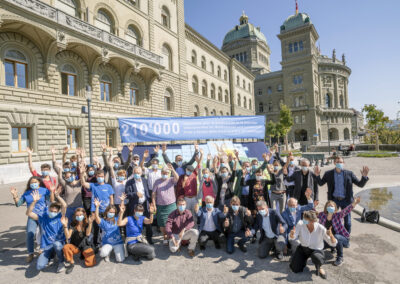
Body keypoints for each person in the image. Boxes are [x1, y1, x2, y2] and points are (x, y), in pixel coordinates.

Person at [314, 156, 369, 233]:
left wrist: (364, 177)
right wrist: (317, 176)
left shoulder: (350, 174)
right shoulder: (328, 174)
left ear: (343, 163)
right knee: (331, 219)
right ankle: (332, 236)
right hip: (334, 201)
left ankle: (346, 238)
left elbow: (360, 184)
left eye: (341, 162)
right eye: (337, 162)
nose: (339, 163)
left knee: (348, 222)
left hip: (346, 200)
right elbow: (320, 183)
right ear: (334, 163)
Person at [10, 177, 54, 263]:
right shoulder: (27, 193)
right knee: (30, 234)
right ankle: (30, 253)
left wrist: (52, 191)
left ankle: (42, 249)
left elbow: (51, 200)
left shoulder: (44, 190)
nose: (33, 184)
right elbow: (18, 204)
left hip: (43, 216)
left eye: (35, 182)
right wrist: (14, 195)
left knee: (43, 233)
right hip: (32, 216)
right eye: (31, 183)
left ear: (39, 182)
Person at [26, 189, 67, 272]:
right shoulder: (43, 218)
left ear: (58, 211)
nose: (53, 212)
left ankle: (61, 262)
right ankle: (51, 256)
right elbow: (28, 213)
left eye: (55, 211)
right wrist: (34, 202)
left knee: (57, 245)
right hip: (47, 246)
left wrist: (58, 196)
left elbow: (65, 205)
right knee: (39, 266)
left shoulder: (60, 216)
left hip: (59, 243)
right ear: (48, 210)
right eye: (51, 211)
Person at [289, 210, 337, 279]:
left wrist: (331, 236)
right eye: (303, 219)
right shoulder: (300, 223)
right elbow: (293, 237)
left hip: (316, 250)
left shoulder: (321, 228)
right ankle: (302, 261)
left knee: (317, 257)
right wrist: (292, 235)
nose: (303, 221)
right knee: (295, 269)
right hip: (303, 248)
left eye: (305, 220)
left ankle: (319, 267)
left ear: (312, 221)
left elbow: (333, 243)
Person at [318, 197, 361, 266]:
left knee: (336, 237)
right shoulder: (322, 215)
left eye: (332, 206)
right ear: (326, 207)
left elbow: (347, 210)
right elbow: (312, 215)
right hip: (328, 238)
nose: (330, 207)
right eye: (329, 206)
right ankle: (332, 248)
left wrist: (354, 203)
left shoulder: (338, 215)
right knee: (318, 245)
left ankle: (340, 257)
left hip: (341, 238)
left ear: (335, 208)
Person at [80, 168, 114, 248]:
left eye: (102, 176)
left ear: (104, 176)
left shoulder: (108, 186)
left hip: (107, 212)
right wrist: (82, 174)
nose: (100, 178)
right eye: (98, 176)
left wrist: (112, 209)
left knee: (107, 228)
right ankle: (97, 244)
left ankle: (108, 242)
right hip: (96, 211)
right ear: (96, 176)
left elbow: (111, 198)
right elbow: (84, 184)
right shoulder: (93, 185)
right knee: (96, 229)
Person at [117, 196, 156, 261]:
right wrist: (121, 213)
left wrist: (151, 213)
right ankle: (133, 252)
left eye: (141, 211)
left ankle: (137, 254)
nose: (140, 212)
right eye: (138, 211)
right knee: (151, 249)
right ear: (134, 210)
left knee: (151, 256)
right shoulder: (128, 218)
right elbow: (119, 224)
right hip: (131, 243)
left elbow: (150, 221)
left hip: (140, 241)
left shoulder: (142, 218)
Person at [124, 166, 153, 244]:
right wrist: (135, 194)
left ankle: (149, 238)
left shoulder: (145, 180)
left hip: (145, 204)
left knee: (148, 222)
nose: (137, 174)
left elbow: (148, 192)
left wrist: (150, 202)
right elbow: (127, 194)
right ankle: (133, 239)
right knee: (134, 222)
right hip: (135, 205)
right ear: (133, 173)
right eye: (135, 173)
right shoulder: (129, 182)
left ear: (141, 173)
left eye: (138, 173)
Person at [62, 208, 96, 274]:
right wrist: (65, 226)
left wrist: (90, 223)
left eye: (81, 215)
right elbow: (68, 236)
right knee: (66, 247)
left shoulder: (87, 223)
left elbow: (88, 234)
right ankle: (71, 263)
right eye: (77, 215)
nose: (79, 217)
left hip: (85, 245)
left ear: (84, 214)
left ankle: (83, 253)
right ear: (75, 216)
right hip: (75, 246)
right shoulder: (73, 224)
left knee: (90, 264)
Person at [152, 164, 179, 245]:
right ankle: (165, 236)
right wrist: (154, 204)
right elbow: (153, 194)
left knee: (173, 222)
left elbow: (177, 178)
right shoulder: (157, 181)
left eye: (167, 173)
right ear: (161, 173)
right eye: (163, 172)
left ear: (169, 173)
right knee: (162, 223)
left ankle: (172, 236)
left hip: (171, 205)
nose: (165, 174)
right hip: (160, 206)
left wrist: (173, 170)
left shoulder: (171, 180)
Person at [281, 188, 315, 254]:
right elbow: (284, 228)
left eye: (294, 205)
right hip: (291, 232)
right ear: (287, 205)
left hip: (300, 229)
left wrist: (308, 197)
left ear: (296, 205)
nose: (292, 207)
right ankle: (295, 255)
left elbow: (310, 206)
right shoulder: (284, 214)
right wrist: (285, 244)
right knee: (296, 243)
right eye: (290, 205)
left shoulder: (299, 208)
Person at [176, 149, 203, 219]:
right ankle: (186, 228)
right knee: (186, 214)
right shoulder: (182, 177)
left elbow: (199, 165)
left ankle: (195, 228)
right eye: (188, 170)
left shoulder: (194, 174)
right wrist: (184, 180)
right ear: (186, 170)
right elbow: (182, 187)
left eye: (191, 170)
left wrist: (202, 155)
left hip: (194, 197)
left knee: (195, 213)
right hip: (186, 198)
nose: (189, 171)